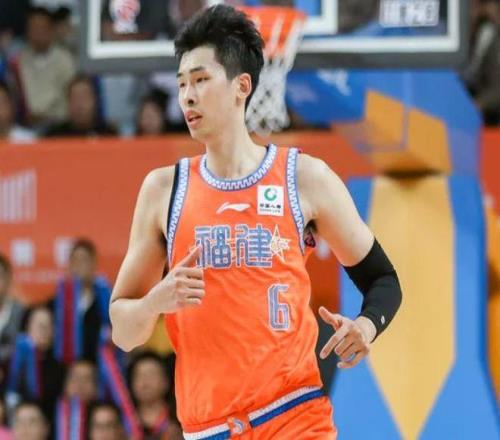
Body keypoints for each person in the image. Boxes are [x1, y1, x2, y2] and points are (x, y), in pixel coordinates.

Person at [110, 5, 402, 439]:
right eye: (182, 83)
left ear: (241, 86)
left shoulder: (305, 178)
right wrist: (155, 302)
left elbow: (383, 280)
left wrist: (366, 325)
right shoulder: (162, 190)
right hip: (209, 426)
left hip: (293, 412)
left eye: (201, 80)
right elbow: (123, 332)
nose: (187, 96)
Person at [11, 7, 75, 128]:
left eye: (42, 28)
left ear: (51, 30)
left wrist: (46, 117)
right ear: (27, 32)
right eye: (33, 28)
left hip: (58, 124)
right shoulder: (18, 60)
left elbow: (70, 100)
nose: (38, 33)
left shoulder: (66, 60)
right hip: (25, 125)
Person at [128, 351, 181, 439]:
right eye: (138, 375)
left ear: (166, 381)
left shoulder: (180, 417)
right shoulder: (123, 420)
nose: (144, 382)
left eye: (151, 375)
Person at [44, 75, 117, 138]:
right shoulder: (54, 135)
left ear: (94, 101)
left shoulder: (108, 134)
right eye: (75, 98)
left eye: (84, 98)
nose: (80, 105)